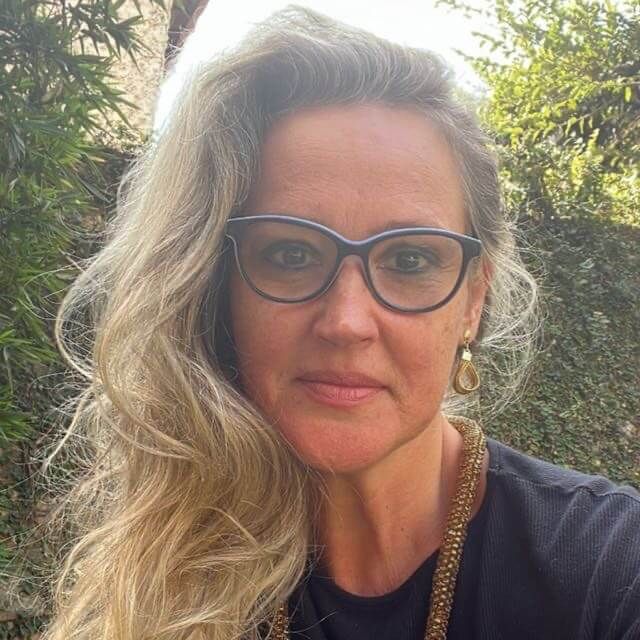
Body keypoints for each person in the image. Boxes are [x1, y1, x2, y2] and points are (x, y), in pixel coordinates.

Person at [41, 5, 640, 640]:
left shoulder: (610, 573)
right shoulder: (164, 576)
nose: (347, 322)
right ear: (217, 288)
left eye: (410, 260)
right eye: (290, 254)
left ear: (472, 301)